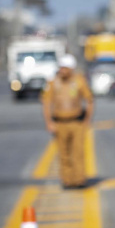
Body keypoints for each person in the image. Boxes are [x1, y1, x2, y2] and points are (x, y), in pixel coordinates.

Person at [40, 54, 94, 189]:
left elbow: (89, 101)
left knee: (78, 152)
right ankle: (67, 180)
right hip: (60, 123)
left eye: (65, 68)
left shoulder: (79, 81)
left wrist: (87, 120)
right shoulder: (53, 83)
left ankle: (79, 179)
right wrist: (49, 123)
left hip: (77, 123)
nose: (62, 71)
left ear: (71, 69)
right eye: (61, 68)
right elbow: (46, 103)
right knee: (64, 153)